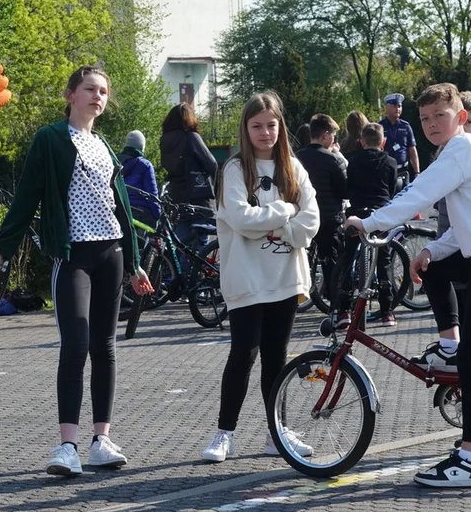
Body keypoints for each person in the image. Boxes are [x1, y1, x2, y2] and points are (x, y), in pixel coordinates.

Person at [346, 83, 471, 488]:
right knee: (432, 271)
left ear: (461, 118)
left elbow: (418, 195)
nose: (432, 125)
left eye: (440, 116)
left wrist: (368, 222)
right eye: (425, 118)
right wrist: (432, 249)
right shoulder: (463, 151)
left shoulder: (462, 150)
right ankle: (451, 348)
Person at [0, 66, 152, 477]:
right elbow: (26, 198)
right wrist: (0, 252)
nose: (98, 97)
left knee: (106, 347)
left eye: (104, 92)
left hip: (110, 253)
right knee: (75, 344)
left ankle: (101, 440)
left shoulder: (106, 147)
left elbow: (122, 209)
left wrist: (134, 262)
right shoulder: (51, 139)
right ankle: (67, 447)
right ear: (70, 94)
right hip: (72, 255)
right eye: (90, 89)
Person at [202, 91, 320, 463]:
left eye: (271, 125)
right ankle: (225, 434)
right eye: (257, 126)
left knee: (277, 359)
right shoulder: (235, 170)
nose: (265, 132)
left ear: (280, 126)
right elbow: (240, 219)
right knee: (243, 354)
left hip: (285, 277)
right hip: (247, 279)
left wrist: (278, 227)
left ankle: (276, 433)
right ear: (246, 129)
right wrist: (285, 210)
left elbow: (311, 221)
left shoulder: (294, 168)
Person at [337, 122, 398, 326]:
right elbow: (391, 189)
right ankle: (387, 310)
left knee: (348, 257)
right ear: (383, 141)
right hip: (380, 214)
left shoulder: (353, 161)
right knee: (384, 260)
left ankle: (344, 309)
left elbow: (349, 186)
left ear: (361, 142)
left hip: (358, 214)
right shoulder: (390, 162)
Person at [160, 103, 218, 268]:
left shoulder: (165, 141)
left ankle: (178, 279)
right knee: (202, 241)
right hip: (199, 198)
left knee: (182, 241)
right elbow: (211, 164)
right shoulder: (191, 137)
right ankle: (194, 282)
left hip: (177, 196)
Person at [296, 114, 347, 298]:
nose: (334, 140)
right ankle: (335, 301)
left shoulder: (297, 159)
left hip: (303, 217)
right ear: (325, 135)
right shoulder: (332, 159)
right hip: (329, 218)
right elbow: (344, 190)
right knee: (332, 260)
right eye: (333, 135)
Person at [118, 130, 161, 228]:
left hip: (120, 209)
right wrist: (157, 215)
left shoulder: (115, 161)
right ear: (142, 147)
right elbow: (152, 194)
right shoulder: (145, 165)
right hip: (140, 212)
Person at [379, 93, 420, 185]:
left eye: (399, 106)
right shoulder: (380, 127)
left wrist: (417, 171)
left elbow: (412, 149)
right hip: (387, 171)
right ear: (387, 107)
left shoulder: (405, 126)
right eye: (394, 106)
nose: (397, 109)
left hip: (403, 171)